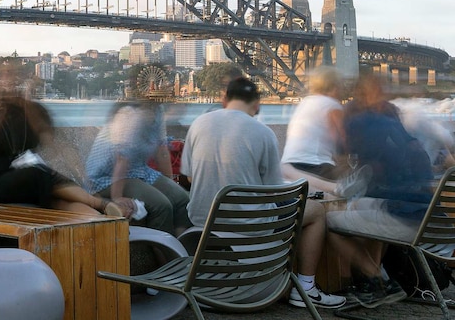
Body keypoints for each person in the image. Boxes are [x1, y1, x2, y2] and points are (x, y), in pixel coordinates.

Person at [181, 77, 346, 309]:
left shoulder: (198, 124)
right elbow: (271, 191)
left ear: (224, 99)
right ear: (257, 104)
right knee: (316, 212)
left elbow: (189, 177)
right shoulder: (263, 132)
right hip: (250, 227)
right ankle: (306, 288)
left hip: (202, 222)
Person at [326, 73, 432, 306]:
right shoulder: (394, 121)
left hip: (404, 216)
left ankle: (376, 277)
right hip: (427, 218)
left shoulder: (361, 121)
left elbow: (345, 161)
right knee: (367, 206)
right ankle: (375, 282)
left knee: (330, 222)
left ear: (359, 94)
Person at [0, 93, 128, 216]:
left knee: (55, 199)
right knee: (40, 174)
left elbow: (47, 139)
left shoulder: (35, 110)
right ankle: (98, 203)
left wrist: (29, 109)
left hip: (29, 181)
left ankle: (101, 220)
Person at [86, 100, 191, 234]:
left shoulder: (158, 110)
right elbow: (121, 158)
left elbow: (162, 150)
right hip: (108, 176)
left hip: (139, 171)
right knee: (161, 205)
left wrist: (169, 183)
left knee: (182, 200)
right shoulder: (129, 114)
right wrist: (117, 197)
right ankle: (168, 253)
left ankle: (182, 247)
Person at [281, 66, 350, 194]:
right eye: (341, 85)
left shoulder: (306, 102)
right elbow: (342, 140)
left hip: (290, 165)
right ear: (333, 87)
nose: (343, 89)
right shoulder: (332, 105)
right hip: (316, 166)